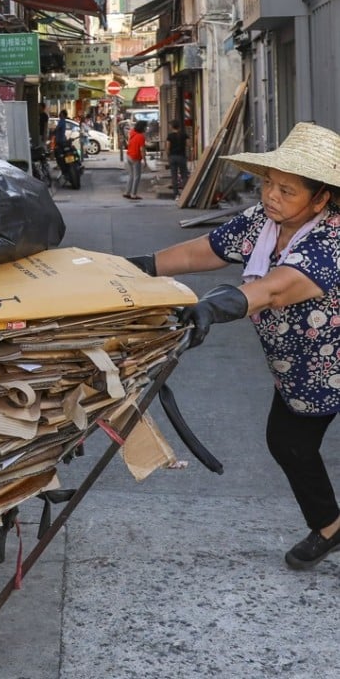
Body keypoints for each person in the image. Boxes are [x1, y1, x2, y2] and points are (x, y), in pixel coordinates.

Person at [126, 122, 340, 570]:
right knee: (288, 441)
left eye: (287, 190)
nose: (271, 196)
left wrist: (214, 307)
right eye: (268, 184)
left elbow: (276, 290)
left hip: (329, 363)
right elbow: (209, 248)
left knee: (290, 441)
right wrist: (141, 267)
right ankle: (331, 525)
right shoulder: (266, 222)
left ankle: (328, 527)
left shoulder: (331, 240)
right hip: (301, 364)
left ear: (321, 199)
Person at [166, 119, 189, 198]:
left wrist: (168, 156)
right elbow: (188, 145)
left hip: (173, 157)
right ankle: (185, 192)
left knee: (174, 176)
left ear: (172, 127)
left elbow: (168, 147)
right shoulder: (184, 135)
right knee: (184, 175)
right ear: (179, 127)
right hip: (182, 156)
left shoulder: (170, 136)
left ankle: (176, 194)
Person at [124, 119, 147, 200]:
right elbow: (142, 150)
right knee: (137, 176)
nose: (146, 128)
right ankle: (133, 194)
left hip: (129, 155)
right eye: (145, 127)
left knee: (131, 175)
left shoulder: (132, 133)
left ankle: (127, 192)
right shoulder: (141, 137)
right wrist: (145, 161)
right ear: (142, 127)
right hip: (135, 157)